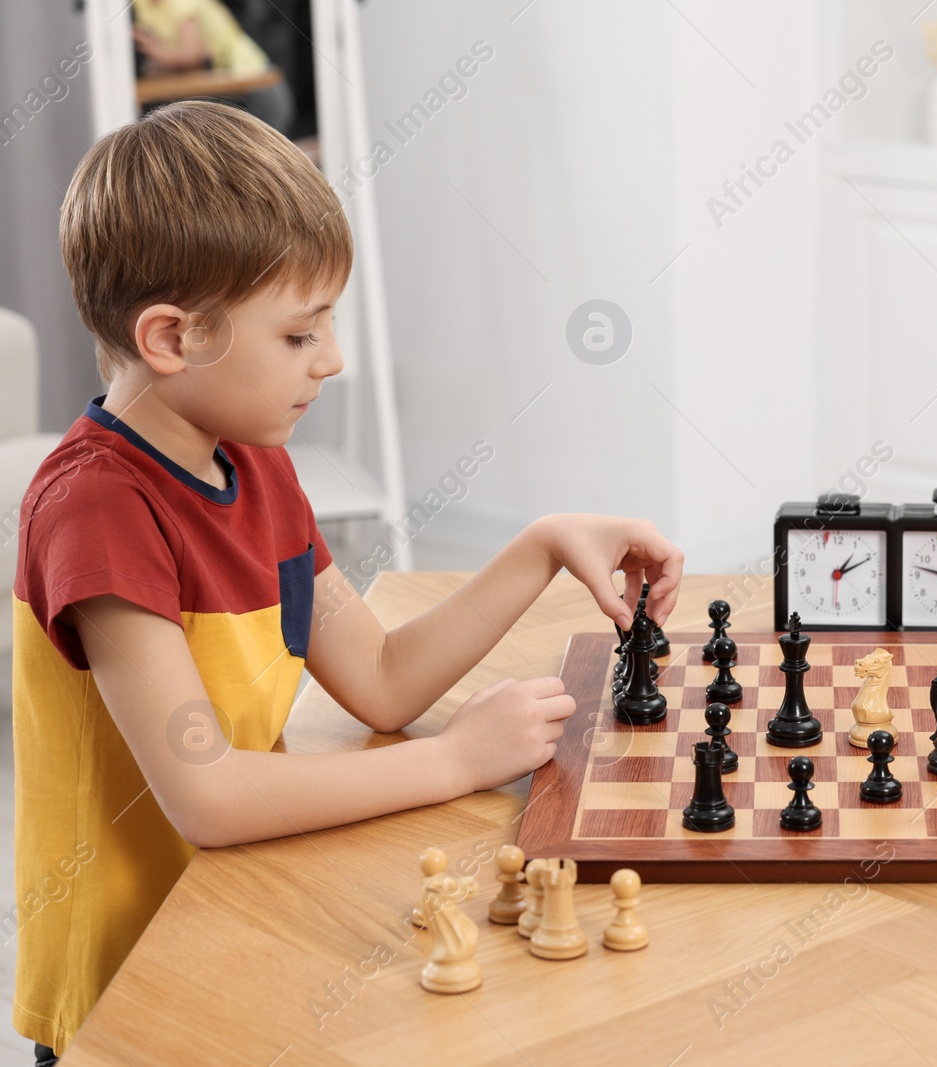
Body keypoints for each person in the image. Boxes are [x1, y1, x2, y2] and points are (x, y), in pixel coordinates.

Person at [11, 99, 684, 1061]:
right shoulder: (98, 509)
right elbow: (208, 797)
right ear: (170, 338)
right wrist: (455, 760)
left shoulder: (254, 464)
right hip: (131, 984)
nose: (331, 360)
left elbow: (380, 677)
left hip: (238, 916)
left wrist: (540, 545)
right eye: (298, 334)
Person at [132, 0, 295, 135]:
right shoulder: (142, 5)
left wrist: (155, 50)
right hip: (227, 92)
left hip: (256, 87)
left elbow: (192, 57)